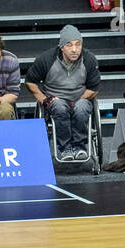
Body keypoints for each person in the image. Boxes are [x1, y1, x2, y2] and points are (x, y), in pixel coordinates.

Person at [25, 25, 101, 162]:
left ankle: (80, 147)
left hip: (80, 98)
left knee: (82, 107)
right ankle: (65, 148)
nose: (74, 49)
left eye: (78, 45)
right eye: (69, 45)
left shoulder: (89, 59)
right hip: (55, 99)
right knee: (59, 106)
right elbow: (30, 82)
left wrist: (77, 101)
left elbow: (93, 88)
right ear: (61, 47)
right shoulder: (46, 59)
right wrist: (44, 100)